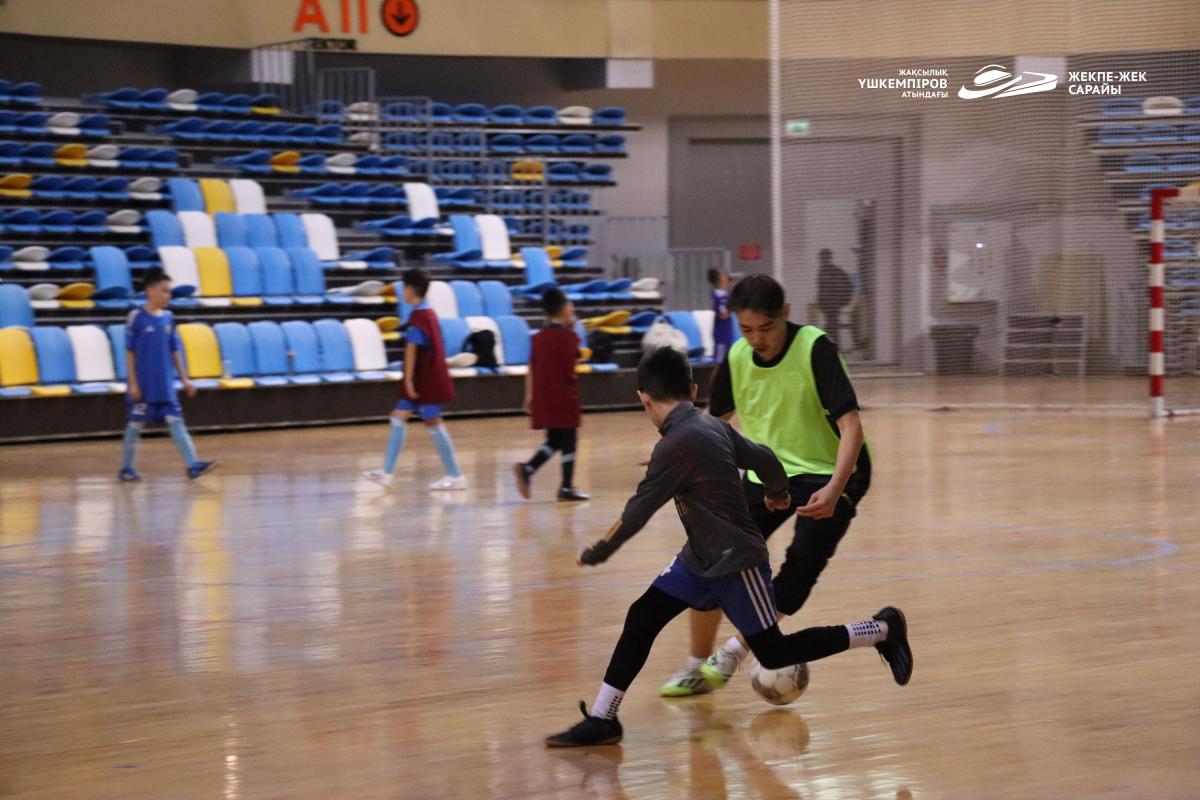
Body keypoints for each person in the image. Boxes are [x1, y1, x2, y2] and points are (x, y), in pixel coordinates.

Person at [544, 347, 911, 747]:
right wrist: (777, 492)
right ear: (694, 390)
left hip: (737, 564)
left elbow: (636, 513)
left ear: (643, 399)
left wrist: (597, 551)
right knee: (642, 616)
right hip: (698, 560)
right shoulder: (711, 427)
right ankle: (603, 718)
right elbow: (764, 458)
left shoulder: (673, 446)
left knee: (774, 653)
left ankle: (882, 629)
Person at [660, 273, 872, 697]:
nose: (757, 339)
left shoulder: (815, 348)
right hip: (768, 473)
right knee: (711, 557)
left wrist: (835, 489)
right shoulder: (738, 357)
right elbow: (714, 421)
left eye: (766, 328)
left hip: (831, 471)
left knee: (801, 564)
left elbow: (851, 427)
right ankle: (696, 667)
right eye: (747, 329)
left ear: (786, 314)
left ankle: (735, 651)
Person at [363, 268, 465, 491]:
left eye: (403, 288)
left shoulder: (418, 318)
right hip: (424, 379)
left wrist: (408, 381)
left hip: (424, 382)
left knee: (433, 424)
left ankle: (456, 476)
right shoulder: (429, 314)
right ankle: (386, 473)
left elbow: (411, 350)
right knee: (398, 417)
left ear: (410, 290)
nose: (401, 292)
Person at [118, 269, 217, 481]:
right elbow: (129, 352)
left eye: (169, 292)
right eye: (164, 291)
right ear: (150, 291)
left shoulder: (169, 318)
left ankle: (193, 464)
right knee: (135, 425)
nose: (168, 295)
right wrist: (133, 383)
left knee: (176, 422)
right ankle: (126, 468)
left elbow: (175, 350)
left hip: (165, 384)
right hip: (144, 384)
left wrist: (184, 379)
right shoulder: (136, 317)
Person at [514, 287, 589, 502]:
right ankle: (566, 486)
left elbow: (531, 367)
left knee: (555, 439)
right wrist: (573, 328)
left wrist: (528, 396)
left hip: (545, 397)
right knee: (569, 440)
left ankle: (528, 469)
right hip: (565, 397)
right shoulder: (570, 337)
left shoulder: (537, 338)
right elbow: (577, 359)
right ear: (565, 309)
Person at [815, 249, 853, 346]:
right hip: (827, 305)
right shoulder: (822, 272)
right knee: (831, 325)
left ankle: (833, 346)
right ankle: (833, 345)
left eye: (824, 258)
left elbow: (841, 286)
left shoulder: (834, 272)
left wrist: (840, 301)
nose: (823, 260)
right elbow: (821, 289)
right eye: (822, 258)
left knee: (832, 325)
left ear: (828, 258)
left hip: (833, 304)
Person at [708, 268, 736, 363]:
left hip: (727, 333)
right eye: (723, 274)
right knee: (719, 362)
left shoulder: (725, 294)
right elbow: (723, 315)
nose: (726, 275)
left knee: (727, 361)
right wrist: (731, 308)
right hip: (721, 334)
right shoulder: (719, 296)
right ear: (719, 279)